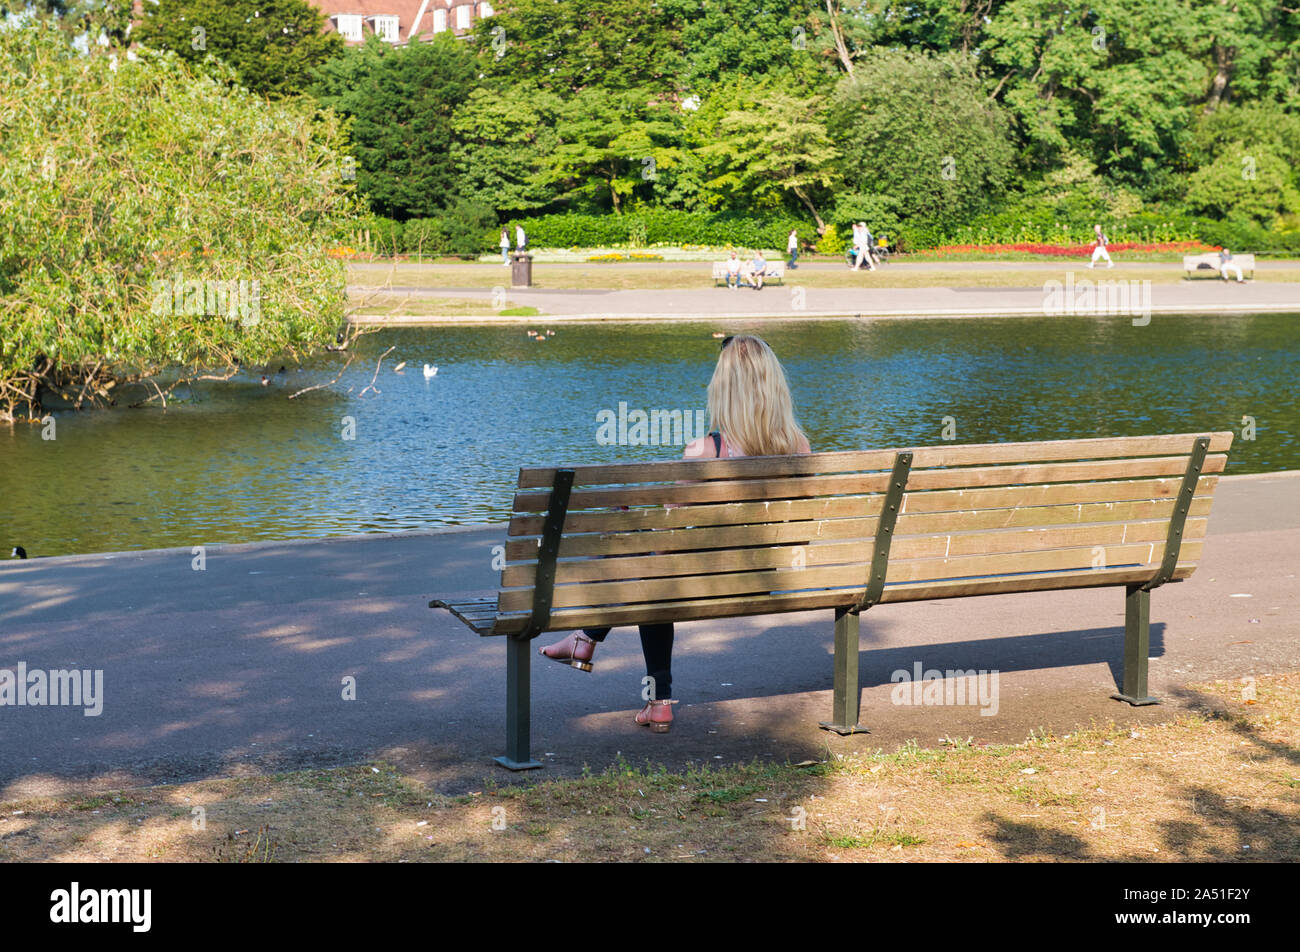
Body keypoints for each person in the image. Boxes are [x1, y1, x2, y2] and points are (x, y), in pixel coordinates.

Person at [537, 335, 812, 732]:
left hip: (709, 582)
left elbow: (668, 531)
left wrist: (632, 516)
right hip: (765, 581)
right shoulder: (799, 446)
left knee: (649, 565)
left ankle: (624, 668)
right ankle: (599, 650)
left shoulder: (704, 451)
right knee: (652, 569)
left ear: (724, 389)